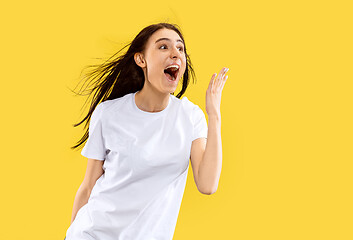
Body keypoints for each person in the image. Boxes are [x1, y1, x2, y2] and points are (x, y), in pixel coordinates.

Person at [64, 22, 229, 240]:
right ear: (141, 59)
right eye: (163, 47)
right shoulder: (109, 114)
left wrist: (214, 116)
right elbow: (88, 187)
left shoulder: (190, 117)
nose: (175, 54)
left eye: (180, 49)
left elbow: (208, 184)